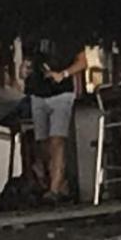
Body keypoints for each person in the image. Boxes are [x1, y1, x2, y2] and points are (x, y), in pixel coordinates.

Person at [25, 37, 87, 202]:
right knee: (43, 142)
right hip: (38, 92)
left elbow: (82, 61)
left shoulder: (69, 33)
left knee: (57, 140)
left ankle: (54, 188)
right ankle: (58, 181)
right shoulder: (32, 34)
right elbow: (28, 59)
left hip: (62, 93)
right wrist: (26, 70)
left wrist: (63, 74)